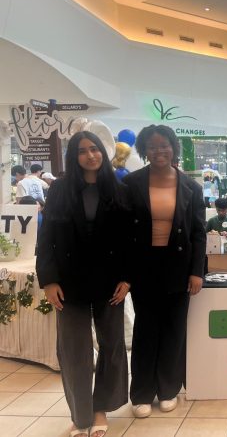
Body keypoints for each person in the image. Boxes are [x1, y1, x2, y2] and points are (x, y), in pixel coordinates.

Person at [36, 131, 131, 437]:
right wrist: (49, 281)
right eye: (83, 151)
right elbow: (46, 237)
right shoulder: (61, 189)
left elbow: (131, 240)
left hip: (109, 283)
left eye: (95, 149)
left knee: (112, 345)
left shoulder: (117, 188)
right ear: (73, 156)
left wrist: (127, 278)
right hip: (69, 283)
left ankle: (101, 407)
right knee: (74, 350)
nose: (91, 155)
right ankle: (81, 416)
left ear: (103, 153)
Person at [123, 124, 206, 418]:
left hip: (178, 266)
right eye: (153, 146)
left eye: (165, 145)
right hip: (143, 266)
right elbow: (121, 231)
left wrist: (197, 272)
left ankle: (169, 389)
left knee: (174, 329)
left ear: (174, 148)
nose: (160, 151)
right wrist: (124, 273)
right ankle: (142, 393)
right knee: (146, 330)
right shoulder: (131, 184)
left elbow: (199, 232)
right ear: (144, 150)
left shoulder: (191, 187)